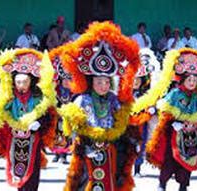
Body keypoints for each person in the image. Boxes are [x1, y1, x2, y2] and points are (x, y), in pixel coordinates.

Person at [58, 21, 141, 191]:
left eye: (106, 81)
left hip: (110, 147)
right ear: (91, 81)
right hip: (88, 147)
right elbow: (72, 127)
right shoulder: (81, 100)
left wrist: (132, 138)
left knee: (111, 180)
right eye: (99, 81)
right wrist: (80, 142)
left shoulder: (113, 99)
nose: (103, 85)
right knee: (85, 181)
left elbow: (122, 122)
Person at [146, 48, 197, 191]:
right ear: (183, 80)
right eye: (189, 79)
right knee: (169, 159)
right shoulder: (174, 94)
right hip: (174, 134)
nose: (192, 82)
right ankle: (162, 183)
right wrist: (173, 123)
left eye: (194, 79)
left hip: (193, 134)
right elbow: (165, 111)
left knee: (190, 158)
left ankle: (184, 185)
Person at [0, 49, 57, 191]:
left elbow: (48, 116)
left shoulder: (38, 99)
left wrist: (39, 123)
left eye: (25, 82)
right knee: (16, 172)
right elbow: (0, 111)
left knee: (33, 175)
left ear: (31, 82)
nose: (21, 85)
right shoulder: (10, 98)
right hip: (15, 139)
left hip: (33, 139)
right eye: (18, 82)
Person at [130, 48, 161, 177]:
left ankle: (137, 168)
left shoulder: (147, 92)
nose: (135, 82)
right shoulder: (126, 94)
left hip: (143, 122)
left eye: (138, 80)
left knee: (141, 144)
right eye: (134, 80)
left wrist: (153, 108)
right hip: (128, 123)